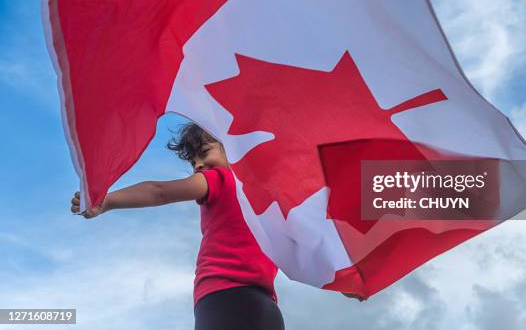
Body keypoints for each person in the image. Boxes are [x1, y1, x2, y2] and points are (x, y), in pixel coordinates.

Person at [70, 122, 365, 329]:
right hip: (264, 309)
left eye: (205, 152)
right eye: (193, 160)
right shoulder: (270, 202)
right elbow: (306, 246)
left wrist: (107, 201)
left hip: (224, 298)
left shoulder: (222, 181)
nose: (198, 165)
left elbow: (159, 191)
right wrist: (344, 282)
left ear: (231, 148)